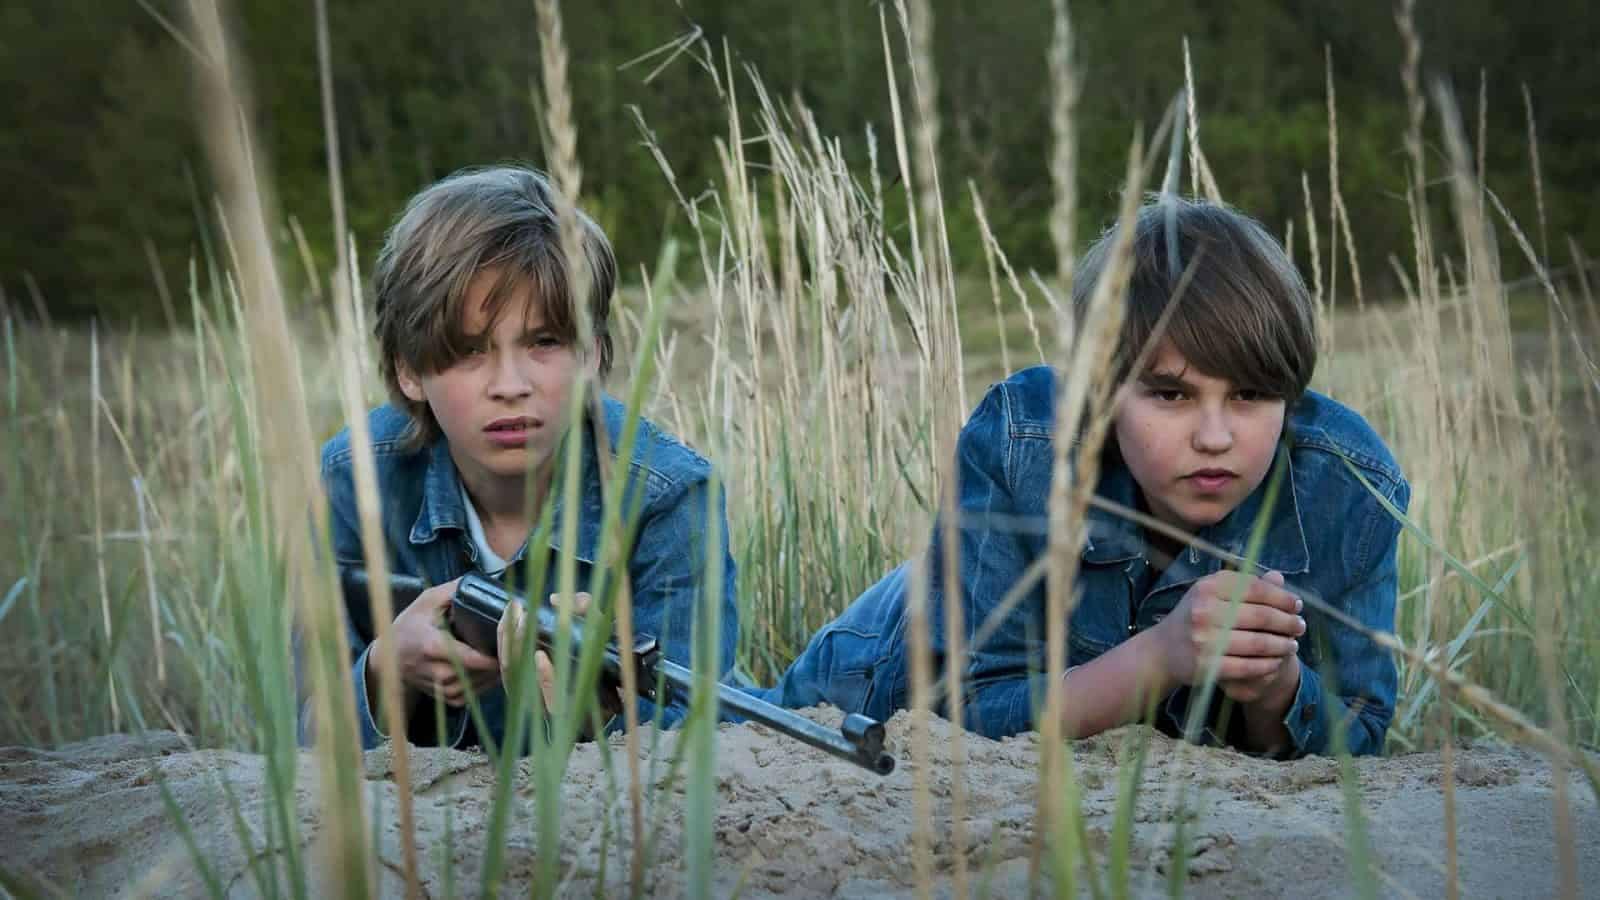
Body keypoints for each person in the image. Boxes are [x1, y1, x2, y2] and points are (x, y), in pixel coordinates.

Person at [767, 197, 1408, 757]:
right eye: (1171, 395)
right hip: (869, 665)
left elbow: (1361, 739)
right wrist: (1158, 658)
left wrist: (1275, 690)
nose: (1215, 437)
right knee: (719, 718)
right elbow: (949, 711)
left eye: (1249, 395)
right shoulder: (1025, 445)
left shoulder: (1352, 489)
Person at [304, 165, 738, 751]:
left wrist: (593, 717)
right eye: (469, 350)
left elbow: (698, 748)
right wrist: (385, 668)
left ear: (591, 356)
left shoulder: (669, 494)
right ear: (408, 370)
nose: (510, 385)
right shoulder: (353, 478)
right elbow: (301, 733)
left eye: (544, 342)